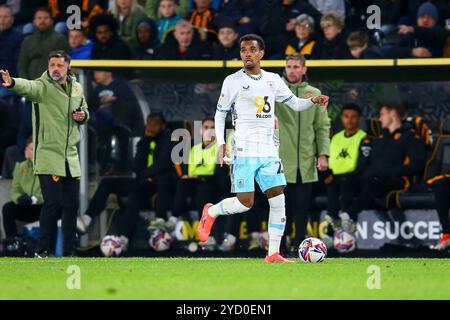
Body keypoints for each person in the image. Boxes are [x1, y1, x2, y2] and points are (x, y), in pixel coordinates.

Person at [197, 34, 329, 263]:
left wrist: (312, 101)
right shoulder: (232, 81)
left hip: (269, 150)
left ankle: (273, 253)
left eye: (252, 49)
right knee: (244, 203)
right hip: (244, 150)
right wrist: (220, 144)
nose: (247, 53)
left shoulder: (273, 80)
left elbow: (295, 104)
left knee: (278, 198)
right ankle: (211, 211)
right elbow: (220, 114)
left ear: (261, 54)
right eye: (243, 50)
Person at [1, 50, 89, 257]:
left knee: (71, 205)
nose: (55, 69)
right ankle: (44, 249)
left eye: (59, 65)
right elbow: (28, 86)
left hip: (70, 156)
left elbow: (84, 110)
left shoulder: (76, 87)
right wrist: (12, 82)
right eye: (52, 65)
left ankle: (69, 251)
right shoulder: (42, 87)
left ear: (68, 66)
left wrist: (82, 115)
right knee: (52, 203)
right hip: (48, 155)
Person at [78, 114, 177, 240]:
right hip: (141, 182)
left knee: (135, 196)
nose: (151, 127)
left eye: (155, 124)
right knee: (107, 183)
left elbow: (163, 164)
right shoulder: (144, 141)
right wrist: (146, 140)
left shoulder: (168, 141)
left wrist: (144, 175)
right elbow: (137, 166)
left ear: (163, 126)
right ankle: (87, 219)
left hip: (157, 183)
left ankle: (124, 238)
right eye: (149, 123)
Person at [340, 102, 427, 233]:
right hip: (373, 178)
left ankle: (348, 216)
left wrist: (393, 171)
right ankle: (347, 225)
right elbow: (370, 164)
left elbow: (417, 165)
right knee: (347, 181)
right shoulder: (380, 138)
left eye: (382, 114)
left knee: (375, 180)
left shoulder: (410, 137)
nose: (379, 119)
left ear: (392, 114)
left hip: (396, 180)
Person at [275, 53, 330, 253]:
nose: (292, 70)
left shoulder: (314, 93)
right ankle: (277, 249)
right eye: (289, 66)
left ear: (304, 69)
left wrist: (323, 154)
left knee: (301, 210)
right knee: (280, 209)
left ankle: (300, 247)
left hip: (305, 162)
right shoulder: (275, 91)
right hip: (279, 162)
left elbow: (322, 127)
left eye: (296, 66)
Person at [324, 103, 371, 232]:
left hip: (354, 179)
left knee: (346, 187)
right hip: (336, 178)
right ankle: (332, 229)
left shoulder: (364, 138)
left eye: (353, 117)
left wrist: (341, 176)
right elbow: (330, 161)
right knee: (330, 187)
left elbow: (362, 165)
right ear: (341, 118)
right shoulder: (336, 138)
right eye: (346, 116)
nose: (349, 120)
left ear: (359, 118)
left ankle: (348, 230)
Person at [173, 118, 227, 220]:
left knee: (203, 189)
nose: (209, 130)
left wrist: (200, 177)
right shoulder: (194, 148)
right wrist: (186, 176)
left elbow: (221, 176)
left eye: (213, 128)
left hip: (212, 183)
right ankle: (174, 218)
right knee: (182, 183)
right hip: (194, 181)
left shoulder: (222, 149)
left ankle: (204, 225)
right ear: (201, 130)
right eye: (206, 127)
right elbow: (188, 170)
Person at [1, 139, 43, 239]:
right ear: (26, 151)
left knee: (53, 209)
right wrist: (19, 198)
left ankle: (47, 245)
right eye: (31, 149)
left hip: (41, 206)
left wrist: (34, 199)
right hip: (24, 204)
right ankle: (12, 242)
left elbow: (50, 193)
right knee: (8, 208)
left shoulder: (48, 168)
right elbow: (15, 190)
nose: (33, 153)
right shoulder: (20, 167)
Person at [17, 7, 68, 80]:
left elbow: (61, 66)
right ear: (34, 22)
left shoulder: (59, 39)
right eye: (39, 18)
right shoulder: (27, 40)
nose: (42, 21)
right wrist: (26, 85)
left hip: (52, 84)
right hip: (31, 85)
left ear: (51, 21)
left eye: (46, 18)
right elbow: (22, 66)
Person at [0, 5, 23, 86]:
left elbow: (15, 65)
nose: (2, 20)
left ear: (12, 19)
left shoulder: (18, 38)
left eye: (6, 17)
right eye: (0, 16)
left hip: (8, 81)